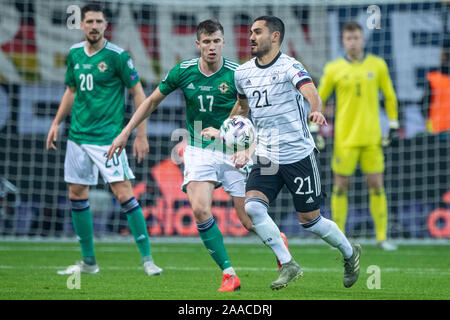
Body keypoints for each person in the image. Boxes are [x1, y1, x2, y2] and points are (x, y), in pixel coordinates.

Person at [107, 19, 289, 292]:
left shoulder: (237, 73)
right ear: (198, 45)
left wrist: (230, 133)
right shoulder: (184, 71)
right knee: (200, 208)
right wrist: (126, 132)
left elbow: (247, 108)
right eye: (206, 42)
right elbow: (152, 100)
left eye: (216, 41)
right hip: (198, 148)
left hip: (232, 151)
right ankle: (229, 274)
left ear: (223, 42)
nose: (212, 47)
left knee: (248, 220)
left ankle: (279, 241)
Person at [231, 15, 361, 290]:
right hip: (266, 154)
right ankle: (287, 263)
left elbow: (310, 90)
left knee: (311, 221)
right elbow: (242, 108)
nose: (251, 37)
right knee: (253, 206)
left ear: (275, 36)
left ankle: (350, 253)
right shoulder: (242, 73)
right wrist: (223, 130)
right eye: (250, 32)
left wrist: (315, 107)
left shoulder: (291, 66)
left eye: (258, 32)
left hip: (298, 155)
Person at [46, 3, 162, 276]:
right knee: (77, 193)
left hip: (108, 139)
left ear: (106, 25)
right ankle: (88, 262)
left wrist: (140, 135)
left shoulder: (118, 56)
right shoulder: (74, 54)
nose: (94, 26)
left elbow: (138, 93)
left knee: (124, 194)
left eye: (99, 21)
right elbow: (71, 91)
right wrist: (56, 122)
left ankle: (147, 260)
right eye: (89, 21)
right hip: (77, 137)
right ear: (82, 24)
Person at [318, 21, 399, 251]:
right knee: (341, 186)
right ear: (343, 41)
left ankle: (382, 237)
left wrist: (393, 124)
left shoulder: (378, 65)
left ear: (363, 40)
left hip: (372, 138)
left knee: (376, 185)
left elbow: (390, 96)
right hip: (345, 139)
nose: (353, 42)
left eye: (356, 38)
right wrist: (315, 127)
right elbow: (319, 99)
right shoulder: (334, 68)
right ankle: (339, 238)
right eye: (349, 39)